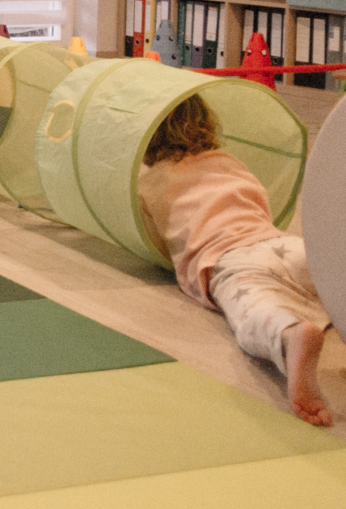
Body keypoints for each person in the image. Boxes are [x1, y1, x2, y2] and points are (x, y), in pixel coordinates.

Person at [137, 94, 334, 426]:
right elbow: (260, 202)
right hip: (277, 241)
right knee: (332, 274)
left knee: (255, 308)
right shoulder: (225, 160)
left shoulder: (150, 181)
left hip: (229, 259)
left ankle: (289, 335)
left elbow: (152, 243)